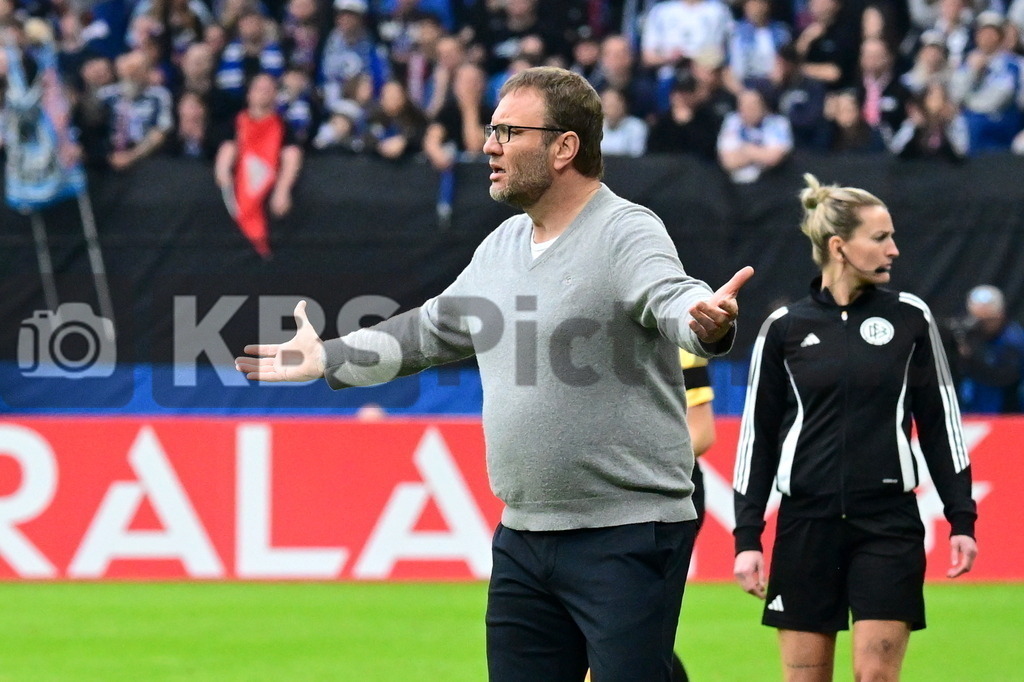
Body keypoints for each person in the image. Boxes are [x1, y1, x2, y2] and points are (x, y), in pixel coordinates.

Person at [236, 66, 754, 682]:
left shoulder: (625, 230)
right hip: (523, 536)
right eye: (490, 129)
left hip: (626, 532)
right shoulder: (503, 245)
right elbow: (430, 330)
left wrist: (706, 324)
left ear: (564, 147)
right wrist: (330, 356)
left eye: (508, 131)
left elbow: (672, 298)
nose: (488, 145)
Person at [733, 174, 978, 682]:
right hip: (806, 523)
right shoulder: (783, 328)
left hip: (888, 523)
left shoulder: (912, 319)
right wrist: (747, 536)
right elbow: (756, 440)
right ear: (840, 247)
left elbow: (941, 425)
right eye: (881, 237)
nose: (894, 249)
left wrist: (962, 519)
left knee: (876, 677)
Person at [951, 285, 1024, 413]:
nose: (980, 325)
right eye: (976, 319)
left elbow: (1004, 378)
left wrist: (970, 358)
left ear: (1000, 315)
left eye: (986, 321)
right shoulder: (968, 334)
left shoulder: (1013, 340)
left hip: (1006, 411)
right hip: (969, 409)